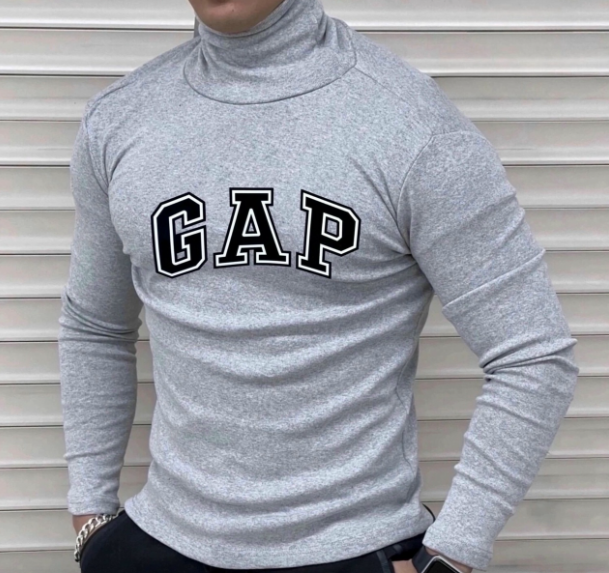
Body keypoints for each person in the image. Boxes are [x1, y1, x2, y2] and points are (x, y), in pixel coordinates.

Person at [59, 0, 580, 572]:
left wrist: (450, 554)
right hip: (156, 545)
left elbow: (533, 356)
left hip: (349, 550)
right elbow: (95, 326)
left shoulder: (414, 127)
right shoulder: (120, 119)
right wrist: (91, 520)